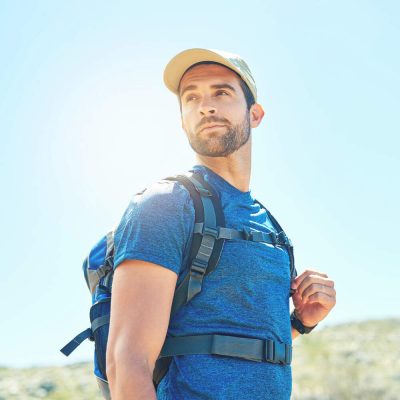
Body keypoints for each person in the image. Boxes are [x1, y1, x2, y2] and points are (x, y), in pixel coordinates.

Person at [105, 48, 336, 400]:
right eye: (191, 97)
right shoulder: (164, 205)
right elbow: (127, 362)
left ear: (255, 114)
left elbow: (235, 342)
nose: (205, 106)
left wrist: (301, 323)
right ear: (183, 121)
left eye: (221, 92)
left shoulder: (271, 229)